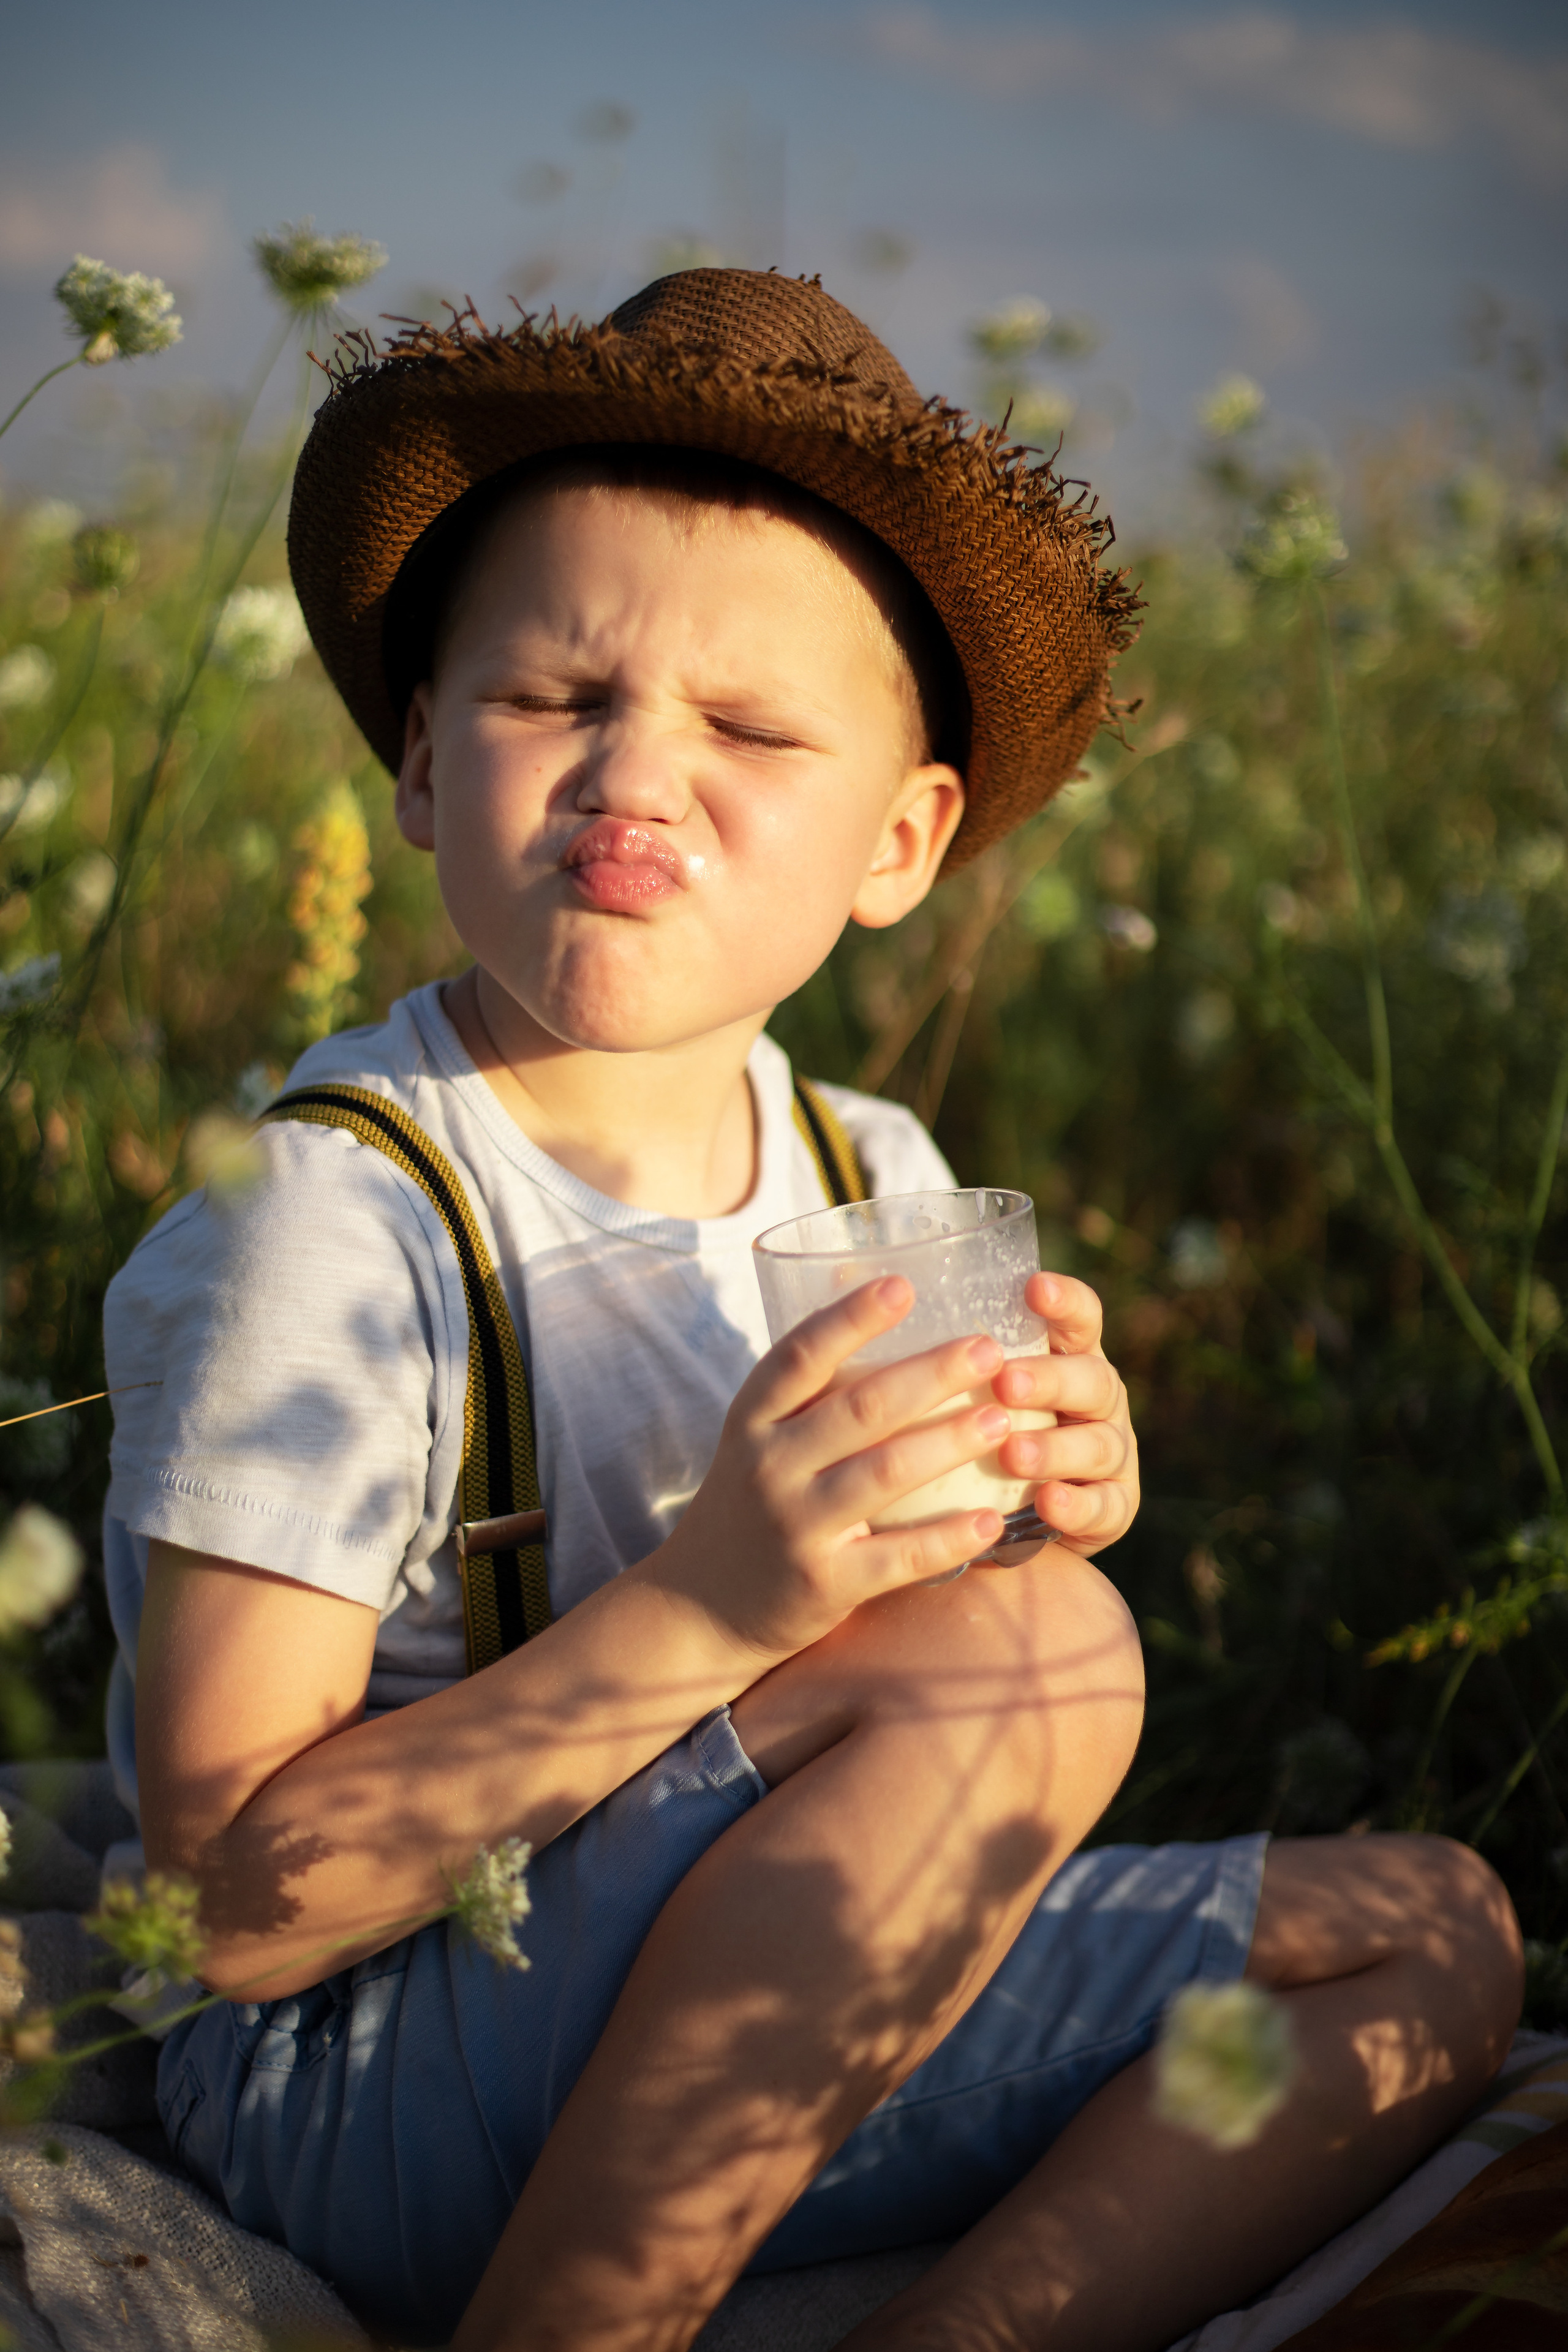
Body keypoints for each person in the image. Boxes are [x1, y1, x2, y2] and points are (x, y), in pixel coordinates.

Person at [103, 269, 1521, 2352]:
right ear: (418, 760)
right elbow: (218, 1911)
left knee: (1442, 1934)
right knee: (1032, 1657)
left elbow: (922, 1684)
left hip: (727, 2015)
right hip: (370, 2064)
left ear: (902, 838)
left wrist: (1049, 1498)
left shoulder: (874, 1172)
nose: (634, 780)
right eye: (549, 701)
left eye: (754, 732)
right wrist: (728, 1600)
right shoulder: (345, 1217)